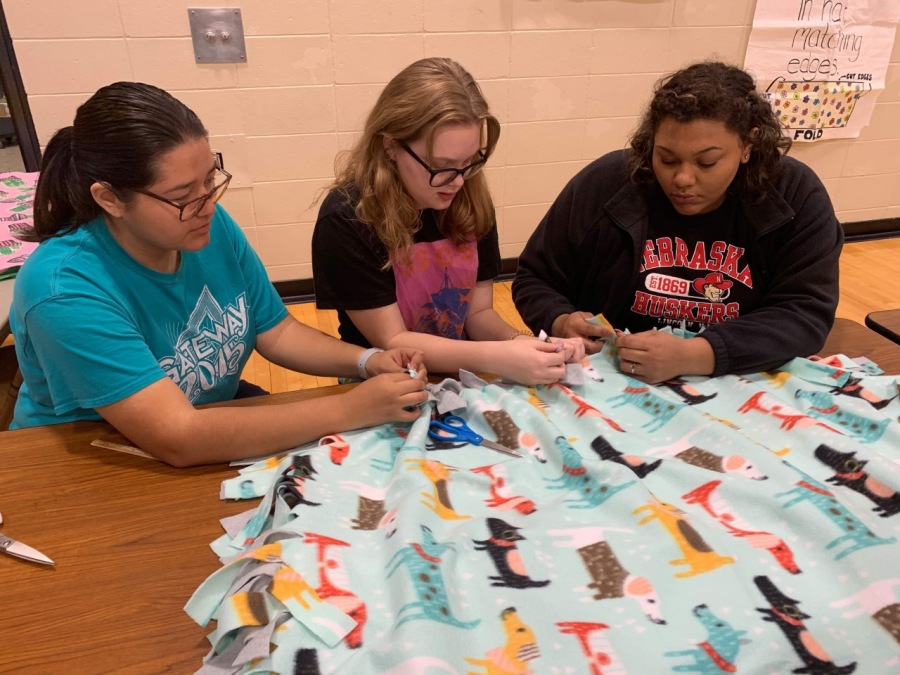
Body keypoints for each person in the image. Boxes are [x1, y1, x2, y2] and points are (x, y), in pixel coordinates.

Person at [11, 82, 427, 467]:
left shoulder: (202, 225)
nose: (207, 204)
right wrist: (350, 408)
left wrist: (367, 361)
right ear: (109, 199)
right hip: (97, 458)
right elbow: (179, 437)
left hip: (204, 416)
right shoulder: (64, 291)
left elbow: (275, 331)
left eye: (210, 179)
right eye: (182, 196)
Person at [512, 61, 843, 383]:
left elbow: (805, 313)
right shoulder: (607, 182)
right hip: (611, 380)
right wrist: (559, 320)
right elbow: (535, 277)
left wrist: (697, 354)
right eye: (666, 158)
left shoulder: (795, 194)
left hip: (741, 378)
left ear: (748, 145)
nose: (682, 178)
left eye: (707, 162)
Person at [312, 58, 582, 385]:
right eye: (442, 166)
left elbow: (477, 314)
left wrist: (527, 345)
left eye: (468, 162)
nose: (457, 181)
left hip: (462, 368)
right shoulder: (348, 216)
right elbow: (393, 341)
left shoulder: (470, 199)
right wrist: (501, 357)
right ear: (390, 146)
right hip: (381, 383)